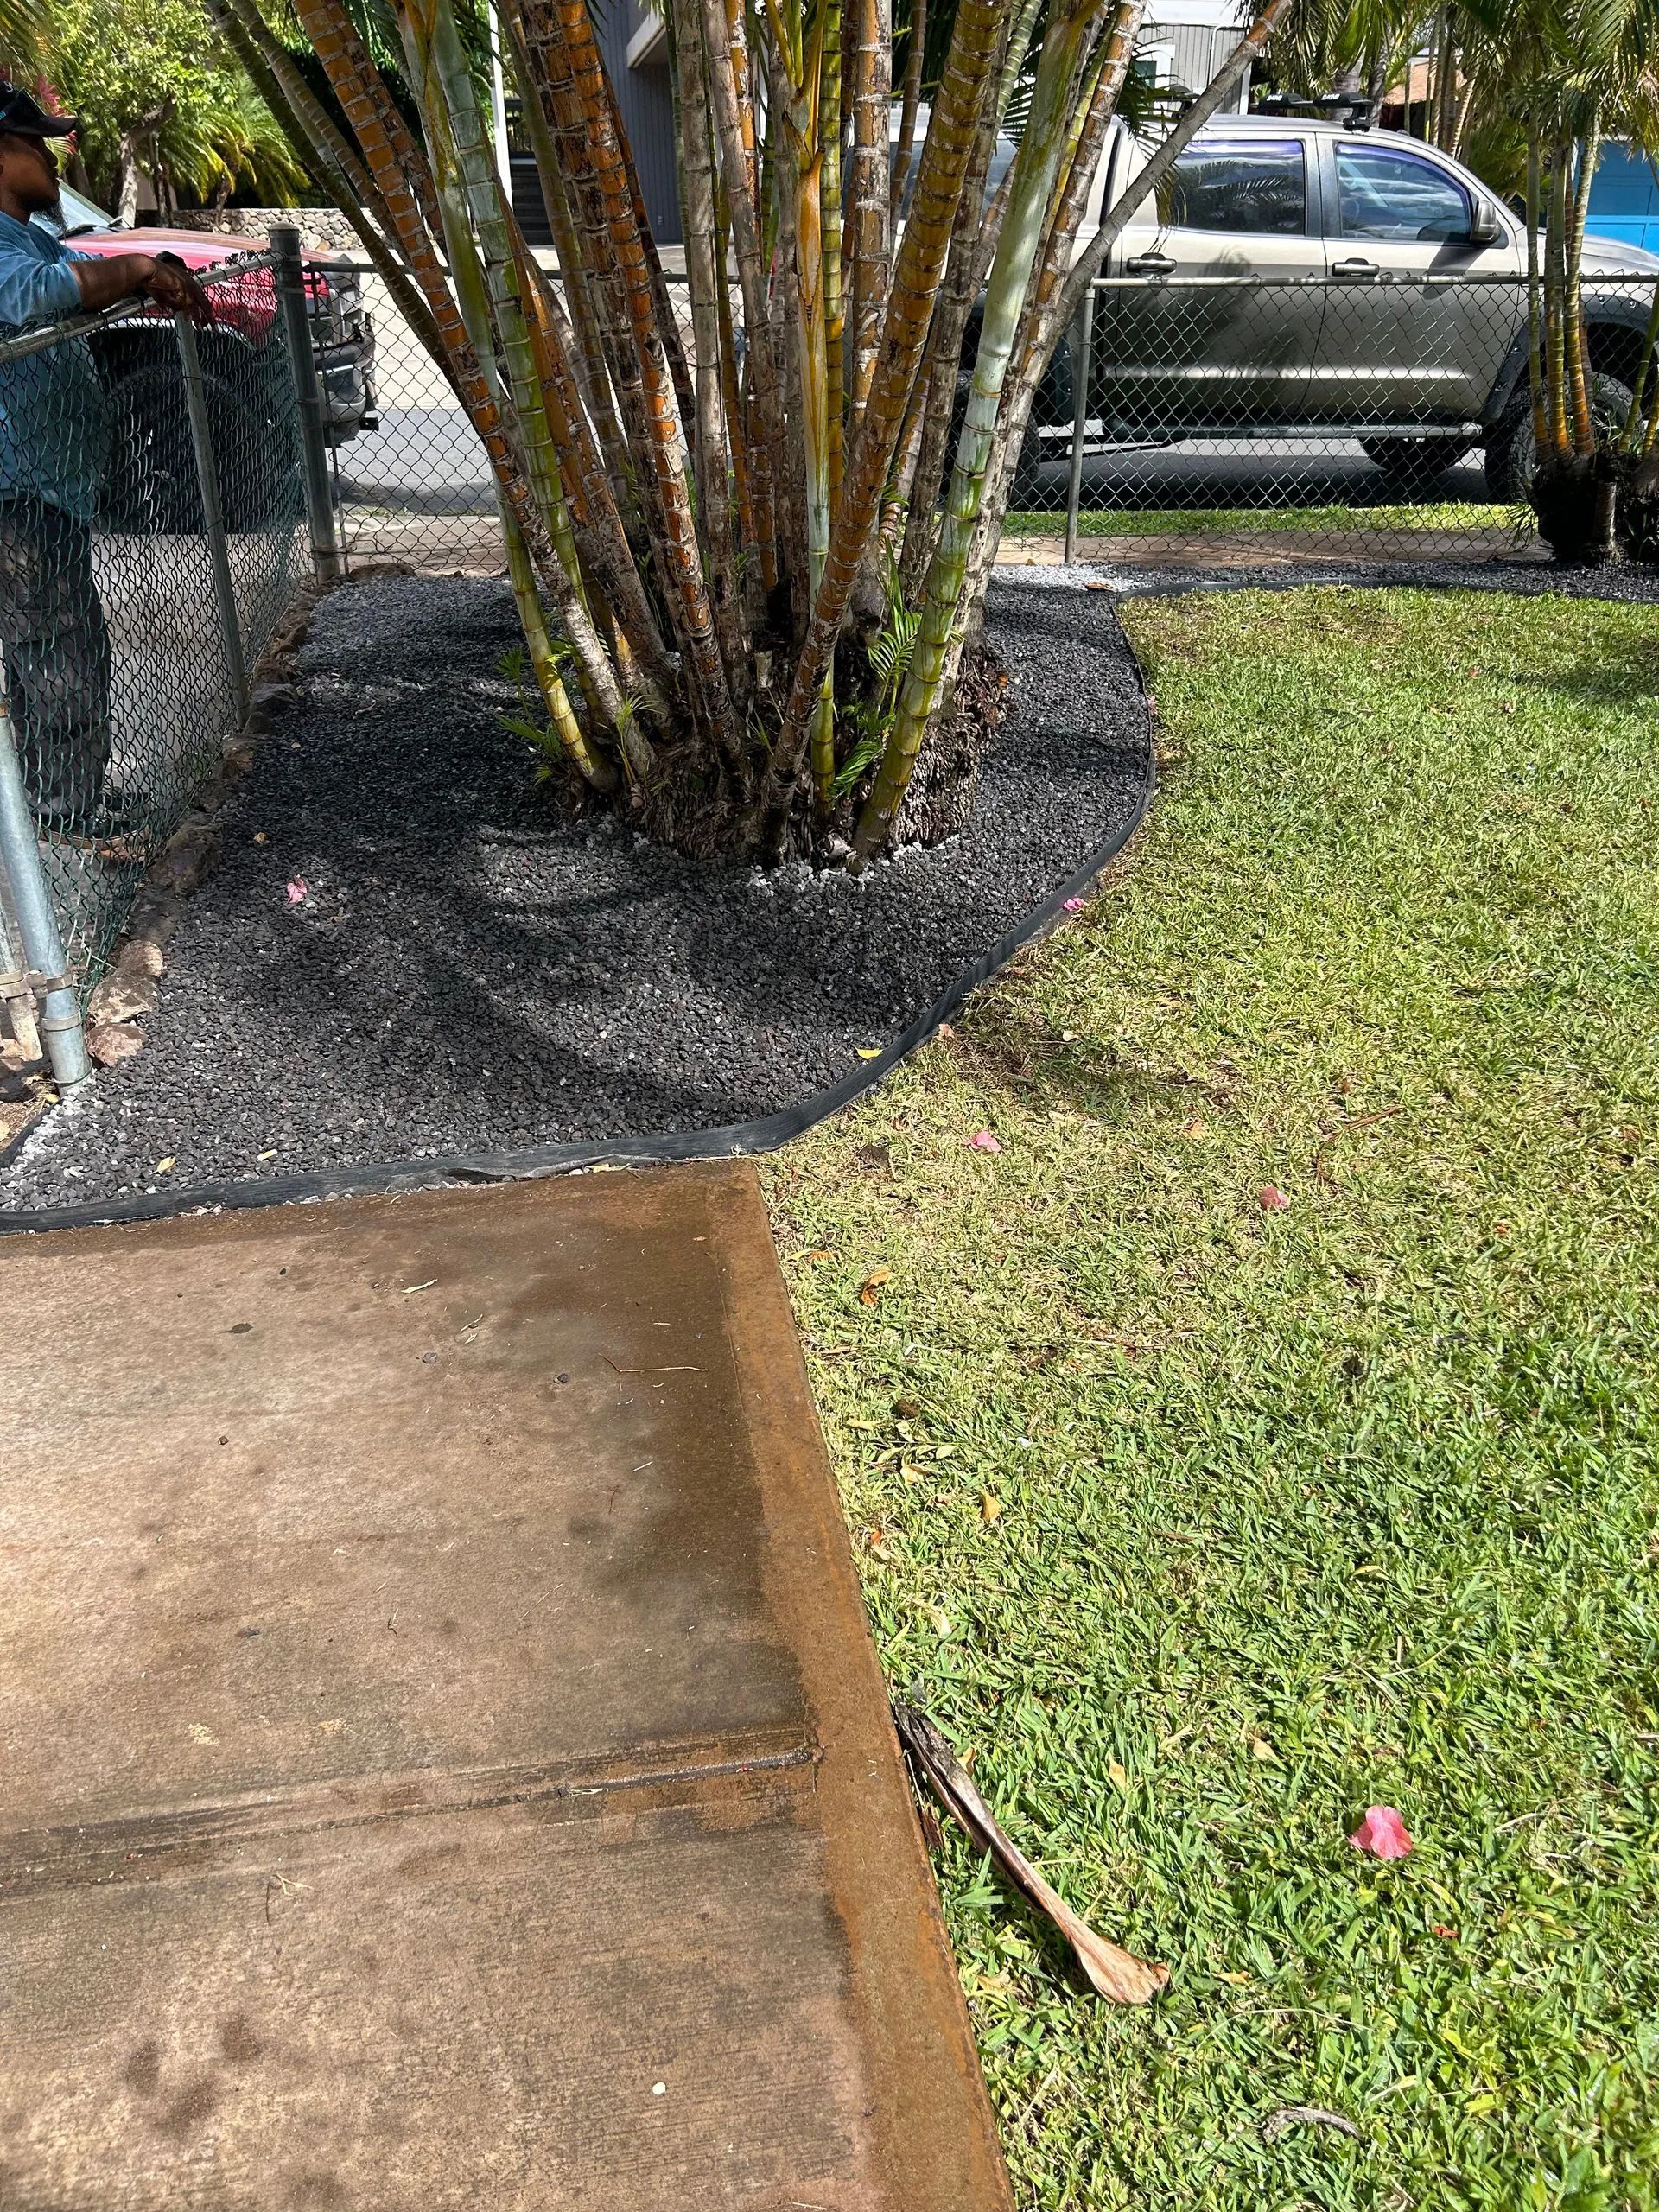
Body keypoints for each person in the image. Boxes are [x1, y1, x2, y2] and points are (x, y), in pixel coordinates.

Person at [0, 80, 209, 852]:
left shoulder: (23, 234)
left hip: (42, 489)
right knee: (59, 652)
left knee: (51, 648)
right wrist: (139, 271)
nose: (54, 158)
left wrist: (145, 267)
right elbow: (31, 296)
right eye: (37, 141)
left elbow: (74, 268)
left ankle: (53, 804)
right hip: (15, 494)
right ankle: (63, 815)